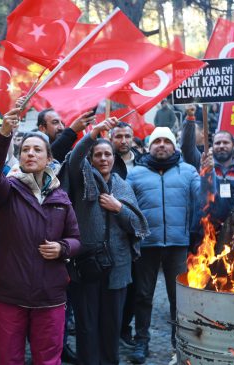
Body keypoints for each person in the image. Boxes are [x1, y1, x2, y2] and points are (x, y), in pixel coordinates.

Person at [0, 108, 81, 364]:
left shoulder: (61, 197)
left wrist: (63, 248)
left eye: (37, 150)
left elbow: (76, 239)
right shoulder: (7, 189)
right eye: (26, 149)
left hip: (50, 297)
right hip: (9, 294)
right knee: (6, 359)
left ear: (49, 159)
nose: (30, 153)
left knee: (48, 360)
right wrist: (3, 133)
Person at [126, 127, 212, 364]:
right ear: (149, 146)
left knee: (178, 297)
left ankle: (179, 341)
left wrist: (207, 175)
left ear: (174, 146)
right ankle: (141, 341)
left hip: (177, 244)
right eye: (157, 141)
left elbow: (204, 198)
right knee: (143, 295)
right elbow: (126, 207)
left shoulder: (188, 171)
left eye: (166, 141)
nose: (161, 145)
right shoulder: (135, 174)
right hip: (146, 244)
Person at [66, 118, 148, 365]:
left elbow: (137, 225)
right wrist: (91, 135)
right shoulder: (82, 181)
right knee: (87, 326)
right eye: (98, 154)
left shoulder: (123, 186)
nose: (103, 159)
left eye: (107, 154)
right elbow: (73, 159)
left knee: (111, 326)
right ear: (91, 158)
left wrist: (118, 208)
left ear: (114, 158)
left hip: (118, 268)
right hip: (88, 266)